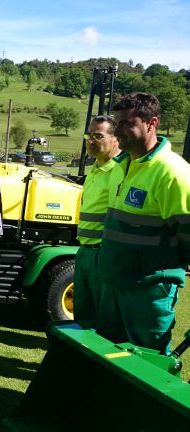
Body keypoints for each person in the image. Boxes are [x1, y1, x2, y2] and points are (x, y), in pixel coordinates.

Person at [98, 92, 190, 355]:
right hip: (114, 283)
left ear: (152, 123)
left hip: (149, 293)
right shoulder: (121, 165)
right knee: (109, 355)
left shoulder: (173, 173)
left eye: (127, 123)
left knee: (148, 362)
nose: (118, 131)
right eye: (116, 123)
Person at [73, 115, 123, 333]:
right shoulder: (94, 169)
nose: (91, 141)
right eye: (89, 135)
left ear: (115, 139)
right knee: (82, 315)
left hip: (102, 253)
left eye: (98, 136)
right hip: (85, 250)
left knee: (105, 319)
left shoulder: (119, 171)